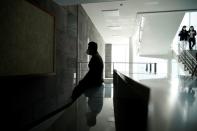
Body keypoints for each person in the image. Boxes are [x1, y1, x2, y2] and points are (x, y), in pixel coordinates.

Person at [65, 41, 104, 108]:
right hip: (97, 81)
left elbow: (91, 74)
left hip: (95, 82)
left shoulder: (95, 58)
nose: (88, 49)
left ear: (92, 48)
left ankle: (72, 107)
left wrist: (82, 81)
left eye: (89, 47)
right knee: (79, 87)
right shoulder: (97, 56)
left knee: (77, 90)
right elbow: (91, 73)